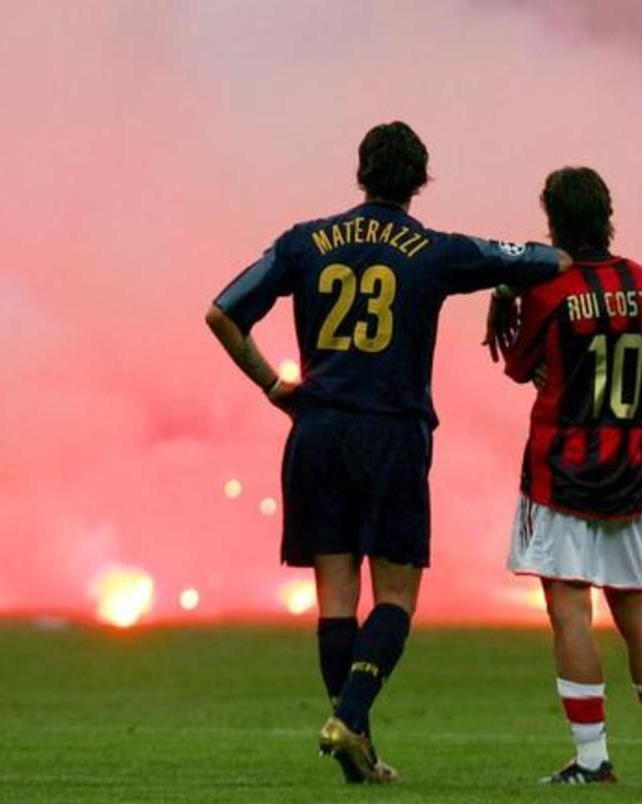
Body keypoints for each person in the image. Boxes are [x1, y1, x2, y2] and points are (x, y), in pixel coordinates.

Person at [206, 121, 570, 784]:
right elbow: (542, 260)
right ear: (419, 181)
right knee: (396, 596)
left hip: (315, 433)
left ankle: (359, 750)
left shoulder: (305, 241)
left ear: (361, 173)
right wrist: (509, 287)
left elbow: (223, 312)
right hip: (392, 435)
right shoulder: (434, 251)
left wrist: (273, 386)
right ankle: (349, 719)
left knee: (337, 599)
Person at [491, 167, 642, 784]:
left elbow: (519, 364)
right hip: (631, 468)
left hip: (563, 469)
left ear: (553, 220)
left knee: (570, 609)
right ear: (607, 213)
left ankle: (592, 759)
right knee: (635, 605)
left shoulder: (549, 292)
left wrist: (508, 294)